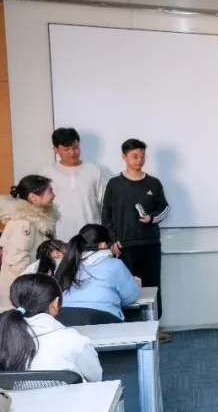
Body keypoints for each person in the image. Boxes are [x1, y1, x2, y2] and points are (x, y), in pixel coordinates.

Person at [101, 139, 171, 341]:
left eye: (142, 156)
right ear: (124, 157)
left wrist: (151, 218)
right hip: (124, 245)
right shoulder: (114, 183)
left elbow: (164, 208)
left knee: (152, 285)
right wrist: (112, 239)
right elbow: (105, 215)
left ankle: (154, 328)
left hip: (150, 243)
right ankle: (129, 331)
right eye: (134, 156)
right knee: (126, 288)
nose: (139, 160)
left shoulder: (153, 183)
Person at [0, 273, 101, 382]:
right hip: (67, 394)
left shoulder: (4, 336)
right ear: (55, 304)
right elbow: (95, 377)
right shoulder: (73, 339)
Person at [53, 224, 141, 324]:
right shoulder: (114, 265)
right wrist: (134, 284)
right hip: (102, 319)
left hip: (65, 320)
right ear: (103, 245)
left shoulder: (64, 265)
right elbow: (130, 297)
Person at [0, 175, 58, 309]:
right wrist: (33, 285)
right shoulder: (23, 223)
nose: (54, 195)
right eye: (50, 191)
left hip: (29, 289)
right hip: (20, 293)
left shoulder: (42, 220)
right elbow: (16, 260)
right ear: (33, 196)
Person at [47, 127, 106, 241]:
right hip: (59, 236)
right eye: (66, 149)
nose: (72, 152)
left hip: (91, 235)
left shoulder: (93, 170)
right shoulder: (47, 173)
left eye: (75, 147)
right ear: (55, 149)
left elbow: (104, 202)